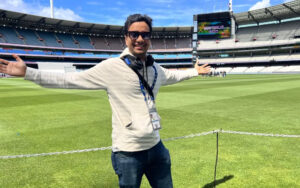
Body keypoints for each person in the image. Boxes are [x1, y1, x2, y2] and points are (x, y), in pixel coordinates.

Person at [0, 14, 210, 188]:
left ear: (150, 38)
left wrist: (194, 71)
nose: (139, 38)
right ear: (126, 37)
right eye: (134, 34)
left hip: (157, 148)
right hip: (128, 154)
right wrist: (29, 73)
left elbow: (173, 76)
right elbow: (69, 80)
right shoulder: (111, 67)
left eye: (144, 34)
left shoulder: (155, 68)